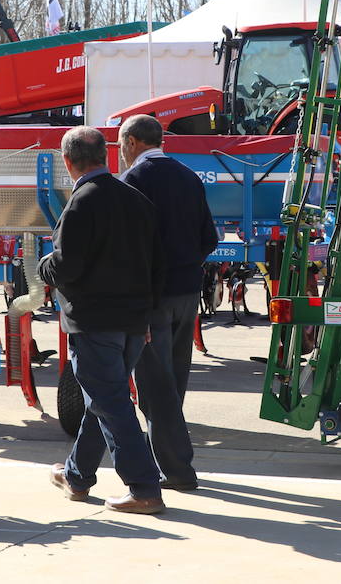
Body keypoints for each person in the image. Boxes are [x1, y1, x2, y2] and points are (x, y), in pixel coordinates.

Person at [39, 126, 166, 514]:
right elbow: (156, 267)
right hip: (132, 322)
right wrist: (145, 316)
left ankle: (144, 488)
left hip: (95, 323)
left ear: (67, 162)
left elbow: (67, 266)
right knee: (103, 401)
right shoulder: (136, 199)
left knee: (111, 403)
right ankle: (77, 477)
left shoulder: (82, 203)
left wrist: (44, 266)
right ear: (107, 156)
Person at [118, 114, 218, 491]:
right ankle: (166, 458)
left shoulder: (133, 181)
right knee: (174, 381)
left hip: (152, 298)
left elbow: (129, 247)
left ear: (130, 142)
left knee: (154, 386)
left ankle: (177, 469)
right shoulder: (189, 177)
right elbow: (209, 236)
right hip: (187, 294)